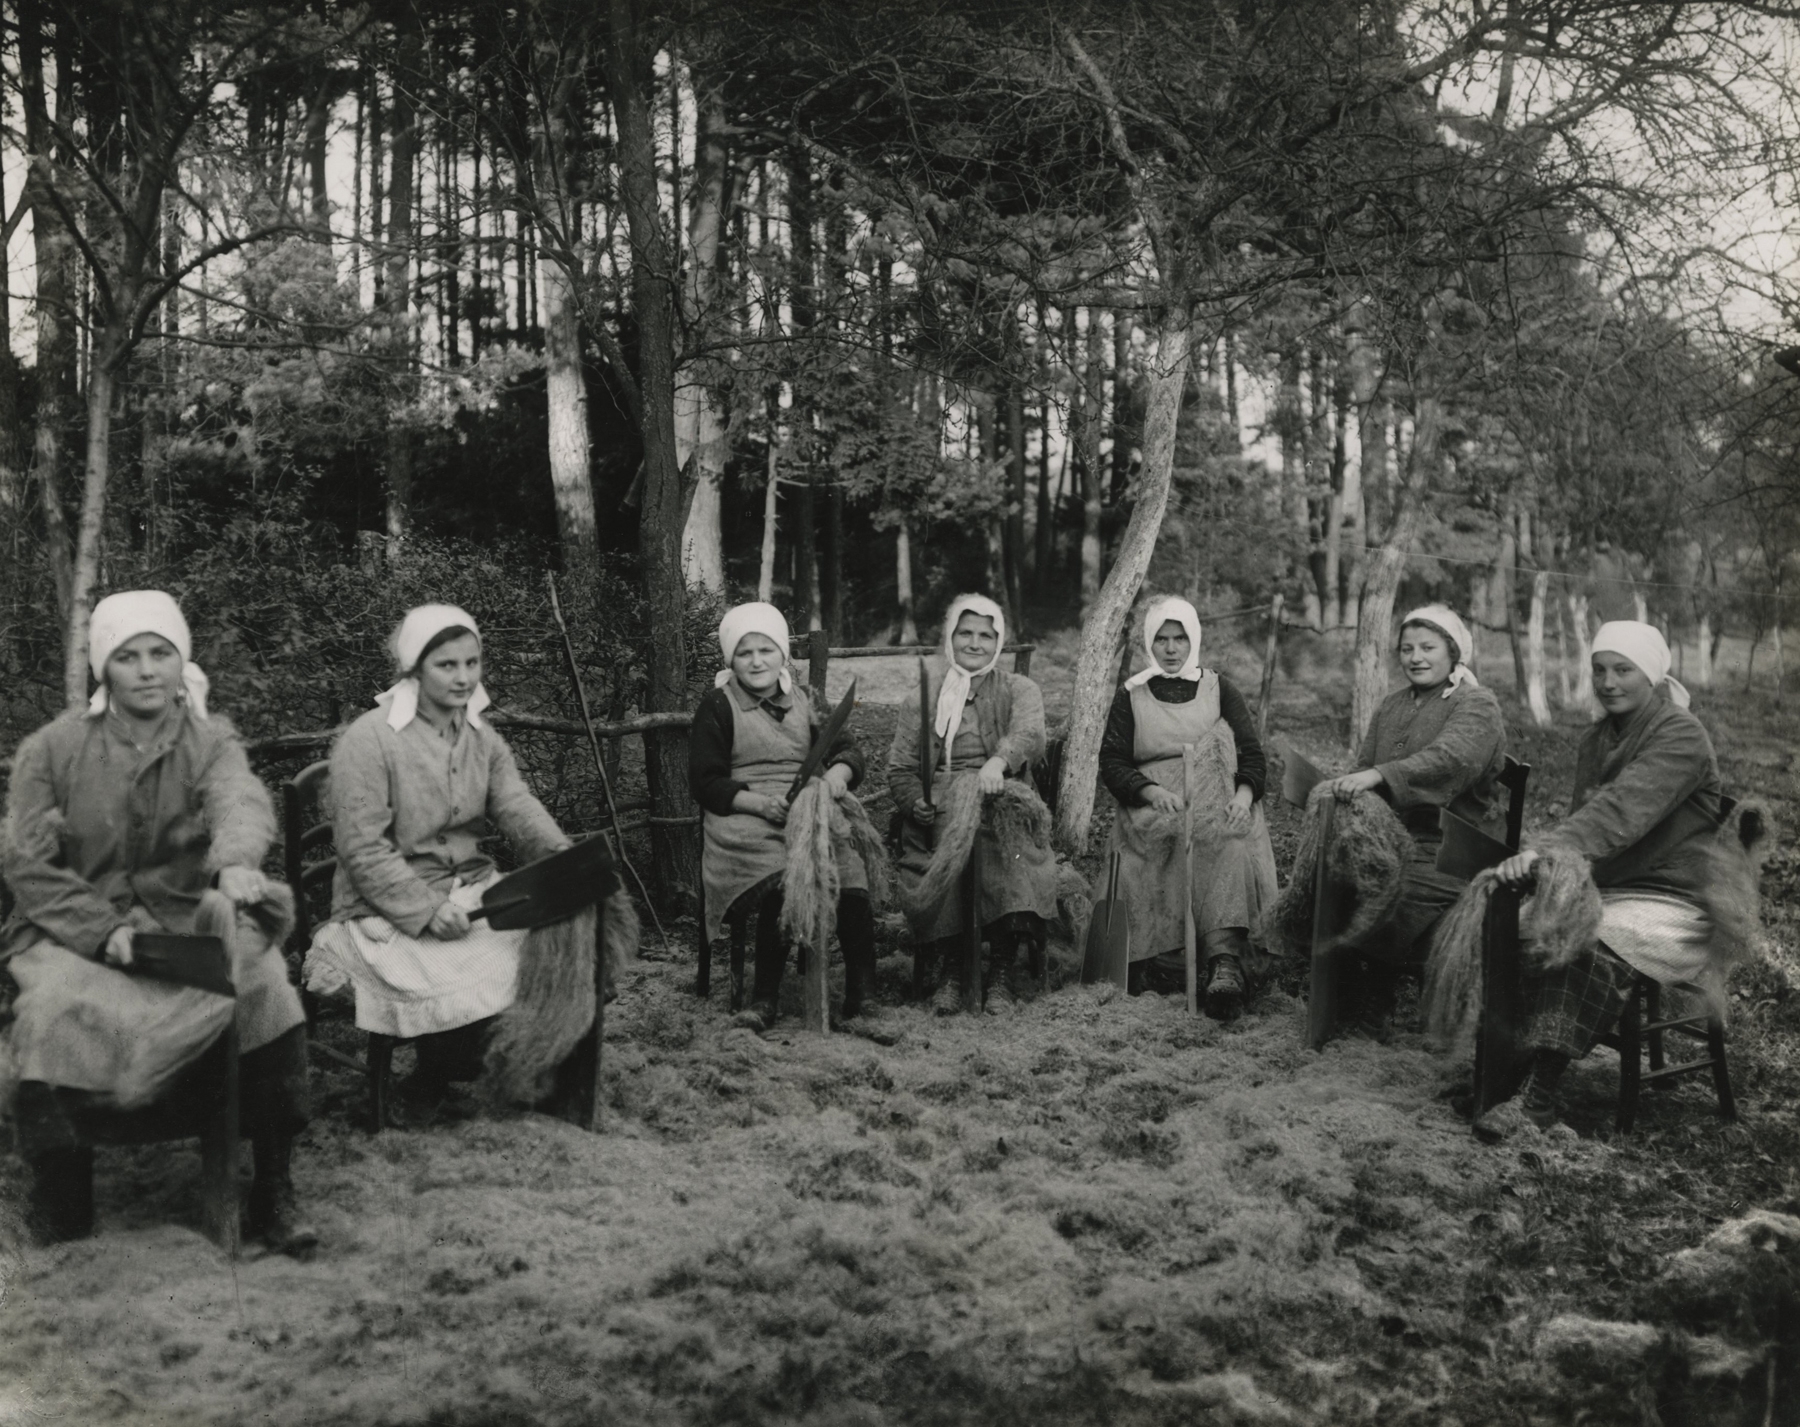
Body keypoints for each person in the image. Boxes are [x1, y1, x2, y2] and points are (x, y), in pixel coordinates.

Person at [1, 591, 314, 1252]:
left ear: (181, 662)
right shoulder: (52, 751)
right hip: (71, 932)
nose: (146, 670)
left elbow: (240, 799)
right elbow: (26, 861)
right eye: (128, 656)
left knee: (267, 992)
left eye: (161, 653)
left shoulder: (208, 741)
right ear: (103, 670)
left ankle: (273, 1188)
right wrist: (98, 929)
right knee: (53, 1010)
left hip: (181, 923)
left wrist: (233, 864)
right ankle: (63, 1199)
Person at [303, 604, 571, 1126]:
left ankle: (481, 1068)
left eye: (472, 663)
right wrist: (425, 909)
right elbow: (362, 850)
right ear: (413, 670)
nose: (464, 677)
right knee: (477, 974)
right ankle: (433, 1076)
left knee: (550, 948)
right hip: (383, 906)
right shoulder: (370, 739)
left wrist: (558, 855)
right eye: (447, 665)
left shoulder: (479, 736)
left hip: (467, 888)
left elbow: (514, 802)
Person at [1480, 620, 1730, 1140]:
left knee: (1579, 939)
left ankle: (1538, 1096)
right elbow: (1588, 825)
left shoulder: (1681, 735)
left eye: (1624, 670)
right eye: (1599, 669)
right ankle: (1506, 1072)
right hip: (1614, 890)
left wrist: (1545, 853)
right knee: (1513, 926)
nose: (1609, 681)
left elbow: (1620, 811)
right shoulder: (1597, 739)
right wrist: (1551, 876)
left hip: (1678, 904)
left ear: (1655, 676)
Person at [1312, 605, 1508, 1020]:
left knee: (1384, 896)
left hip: (1458, 849)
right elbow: (1364, 766)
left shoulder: (1477, 704)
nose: (1416, 657)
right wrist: (1347, 787)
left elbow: (1451, 759)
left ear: (1453, 651)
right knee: (1329, 881)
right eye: (1406, 649)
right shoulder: (1392, 705)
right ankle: (1358, 999)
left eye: (1428, 647)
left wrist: (1379, 776)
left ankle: (1372, 998)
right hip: (1396, 840)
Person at [688, 601, 874, 1032]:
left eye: (766, 650)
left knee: (850, 875)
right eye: (745, 652)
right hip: (744, 821)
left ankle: (862, 998)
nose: (756, 661)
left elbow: (847, 750)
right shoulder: (717, 705)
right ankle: (764, 999)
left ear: (783, 655)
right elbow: (706, 782)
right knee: (781, 875)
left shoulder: (806, 699)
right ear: (730, 658)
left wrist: (836, 779)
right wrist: (761, 804)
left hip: (804, 810)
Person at [1098, 596, 1277, 1018]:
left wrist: (1243, 796)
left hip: (1218, 796)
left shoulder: (1219, 688)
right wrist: (1148, 791)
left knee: (1228, 847)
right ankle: (1162, 958)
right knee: (1158, 852)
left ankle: (1224, 962)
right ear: (1149, 643)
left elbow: (1251, 753)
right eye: (1162, 639)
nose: (1172, 648)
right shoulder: (1132, 695)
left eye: (1180, 638)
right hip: (1154, 805)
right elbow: (1113, 761)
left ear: (1193, 639)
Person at [888, 594, 1060, 1013]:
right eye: (965, 632)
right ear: (950, 637)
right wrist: (915, 802)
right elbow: (901, 768)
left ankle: (1000, 970)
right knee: (951, 843)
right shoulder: (922, 700)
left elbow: (1029, 735)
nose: (974, 642)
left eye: (986, 634)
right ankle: (949, 969)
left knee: (1003, 849)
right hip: (941, 807)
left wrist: (998, 763)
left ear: (998, 642)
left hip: (1001, 797)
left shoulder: (1020, 689)